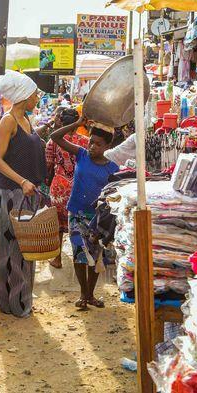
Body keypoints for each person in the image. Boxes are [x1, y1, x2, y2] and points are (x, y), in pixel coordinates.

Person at [0, 70, 47, 317]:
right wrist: (22, 180)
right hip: (11, 194)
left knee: (26, 249)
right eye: (35, 94)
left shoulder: (26, 119)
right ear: (25, 96)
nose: (38, 97)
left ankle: (23, 301)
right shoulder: (9, 121)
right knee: (10, 250)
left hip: (27, 193)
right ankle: (11, 303)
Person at [51, 116, 118, 310]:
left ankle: (91, 294)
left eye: (98, 144)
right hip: (76, 212)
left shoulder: (112, 169)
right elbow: (55, 137)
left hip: (97, 218)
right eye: (91, 142)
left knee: (95, 256)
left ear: (106, 146)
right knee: (79, 253)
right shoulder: (81, 154)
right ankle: (83, 294)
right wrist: (78, 123)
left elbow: (112, 196)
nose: (92, 146)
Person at [45, 108, 89, 269]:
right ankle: (82, 259)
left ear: (61, 123)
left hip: (59, 186)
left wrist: (49, 180)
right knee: (79, 223)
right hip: (80, 187)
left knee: (58, 225)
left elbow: (48, 165)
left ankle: (57, 259)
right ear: (78, 125)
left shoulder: (53, 141)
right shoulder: (85, 141)